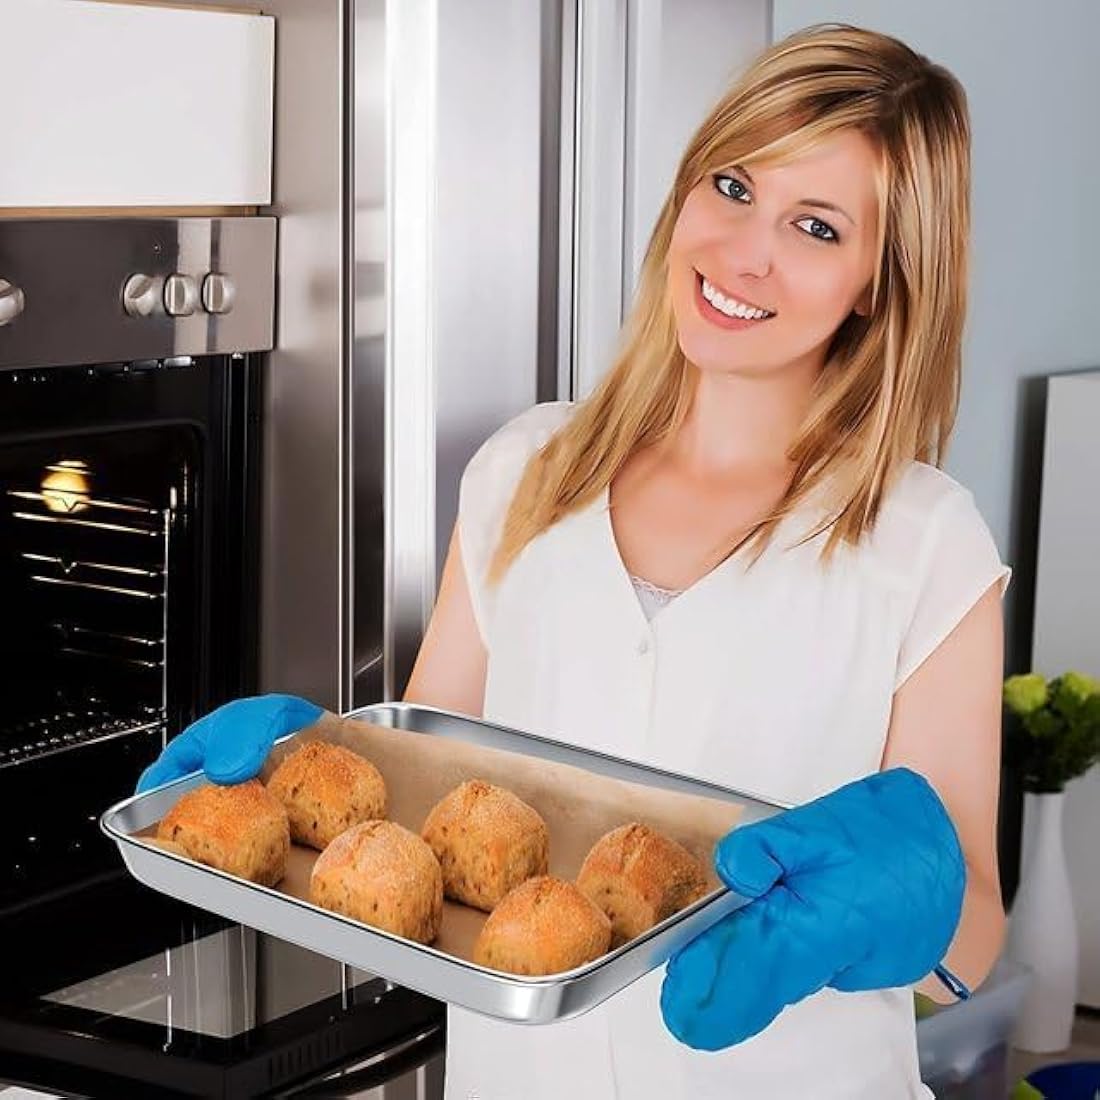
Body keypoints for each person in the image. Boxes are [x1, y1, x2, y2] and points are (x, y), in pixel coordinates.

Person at [138, 23, 1011, 1099]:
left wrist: (908, 904)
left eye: (816, 227)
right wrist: (298, 768)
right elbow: (419, 804)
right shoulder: (523, 471)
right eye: (732, 186)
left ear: (879, 283)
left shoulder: (923, 540)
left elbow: (970, 932)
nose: (744, 253)